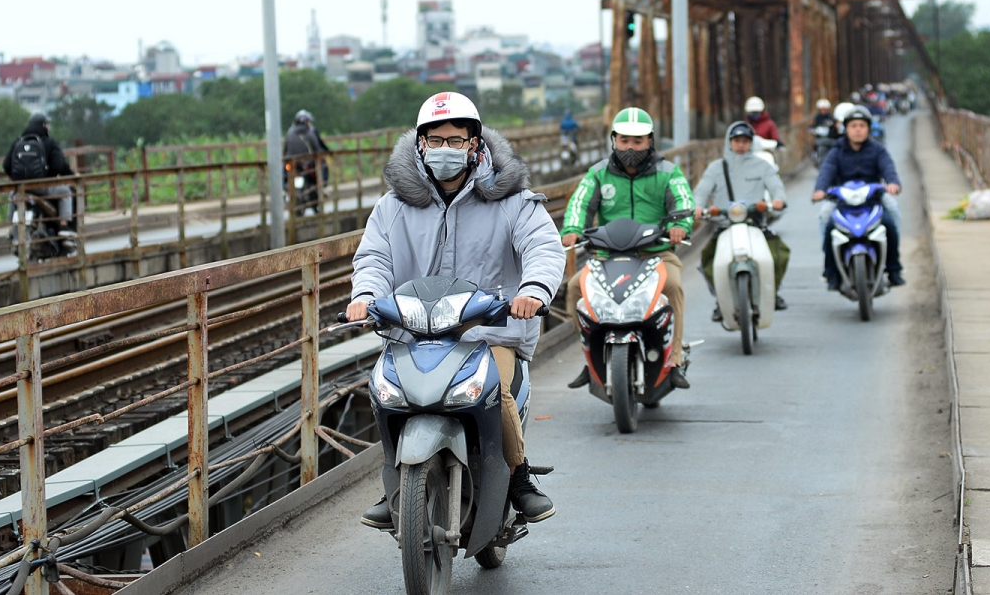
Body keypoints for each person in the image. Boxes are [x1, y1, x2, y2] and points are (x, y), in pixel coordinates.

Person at [345, 91, 563, 528]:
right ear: (420, 145)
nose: (446, 149)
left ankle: (519, 477)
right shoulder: (392, 208)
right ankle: (397, 482)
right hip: (413, 334)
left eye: (456, 140)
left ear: (475, 144)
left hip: (490, 333)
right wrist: (364, 298)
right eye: (436, 140)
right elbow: (373, 259)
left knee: (494, 390)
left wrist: (534, 291)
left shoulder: (512, 201)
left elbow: (542, 246)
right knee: (386, 392)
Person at [560, 107, 695, 389]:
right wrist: (572, 230)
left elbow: (683, 201)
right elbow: (579, 203)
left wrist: (680, 225)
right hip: (608, 255)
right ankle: (591, 358)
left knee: (673, 286)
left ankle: (675, 361)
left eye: (637, 141)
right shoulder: (597, 174)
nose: (630, 147)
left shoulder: (669, 172)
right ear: (613, 140)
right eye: (624, 141)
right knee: (574, 288)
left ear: (650, 141)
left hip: (656, 253)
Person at [693, 121, 790, 319]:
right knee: (707, 260)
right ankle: (721, 299)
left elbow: (776, 185)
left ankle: (773, 291)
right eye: (736, 140)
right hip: (724, 225)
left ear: (751, 142)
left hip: (755, 224)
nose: (741, 145)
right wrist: (697, 206)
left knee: (780, 254)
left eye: (746, 140)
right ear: (729, 142)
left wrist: (778, 199)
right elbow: (702, 190)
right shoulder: (716, 167)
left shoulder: (763, 166)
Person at [812, 105, 905, 289]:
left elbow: (888, 167)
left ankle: (894, 269)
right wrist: (820, 189)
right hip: (842, 199)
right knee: (826, 220)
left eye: (862, 125)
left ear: (868, 128)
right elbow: (826, 171)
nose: (858, 130)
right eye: (853, 125)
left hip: (873, 199)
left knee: (890, 219)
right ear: (845, 128)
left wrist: (892, 183)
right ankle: (831, 271)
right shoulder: (836, 151)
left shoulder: (878, 149)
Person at [2, 112, 75, 234]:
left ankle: (11, 227)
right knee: (66, 192)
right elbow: (60, 165)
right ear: (44, 125)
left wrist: (16, 180)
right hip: (42, 187)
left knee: (12, 194)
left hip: (21, 188)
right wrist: (65, 176)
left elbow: (6, 165)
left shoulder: (18, 141)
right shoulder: (48, 142)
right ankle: (64, 226)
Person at [283, 110, 330, 211]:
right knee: (322, 165)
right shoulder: (309, 132)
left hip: (293, 165)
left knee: (285, 169)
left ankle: (284, 189)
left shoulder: (289, 133)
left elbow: (284, 151)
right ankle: (323, 186)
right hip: (307, 165)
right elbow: (317, 149)